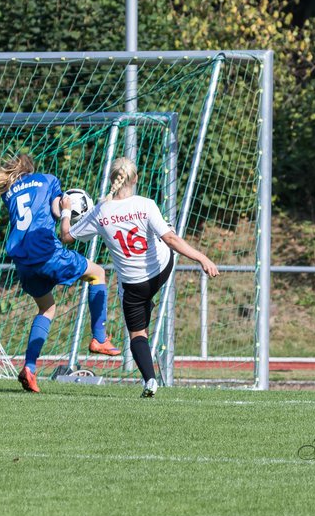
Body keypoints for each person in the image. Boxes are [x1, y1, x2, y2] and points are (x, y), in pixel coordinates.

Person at [62, 157, 219, 398]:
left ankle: (150, 381)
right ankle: (150, 298)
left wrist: (64, 212)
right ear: (135, 179)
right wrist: (201, 258)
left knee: (137, 335)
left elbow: (67, 238)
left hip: (133, 285)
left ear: (111, 179)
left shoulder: (99, 211)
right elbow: (171, 240)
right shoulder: (145, 204)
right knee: (165, 233)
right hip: (161, 270)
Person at [0, 152, 120, 393]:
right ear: (32, 168)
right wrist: (70, 209)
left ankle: (30, 367)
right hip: (46, 252)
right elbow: (59, 213)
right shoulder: (48, 180)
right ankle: (99, 337)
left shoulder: (8, 193)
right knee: (98, 273)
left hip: (23, 262)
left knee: (47, 308)